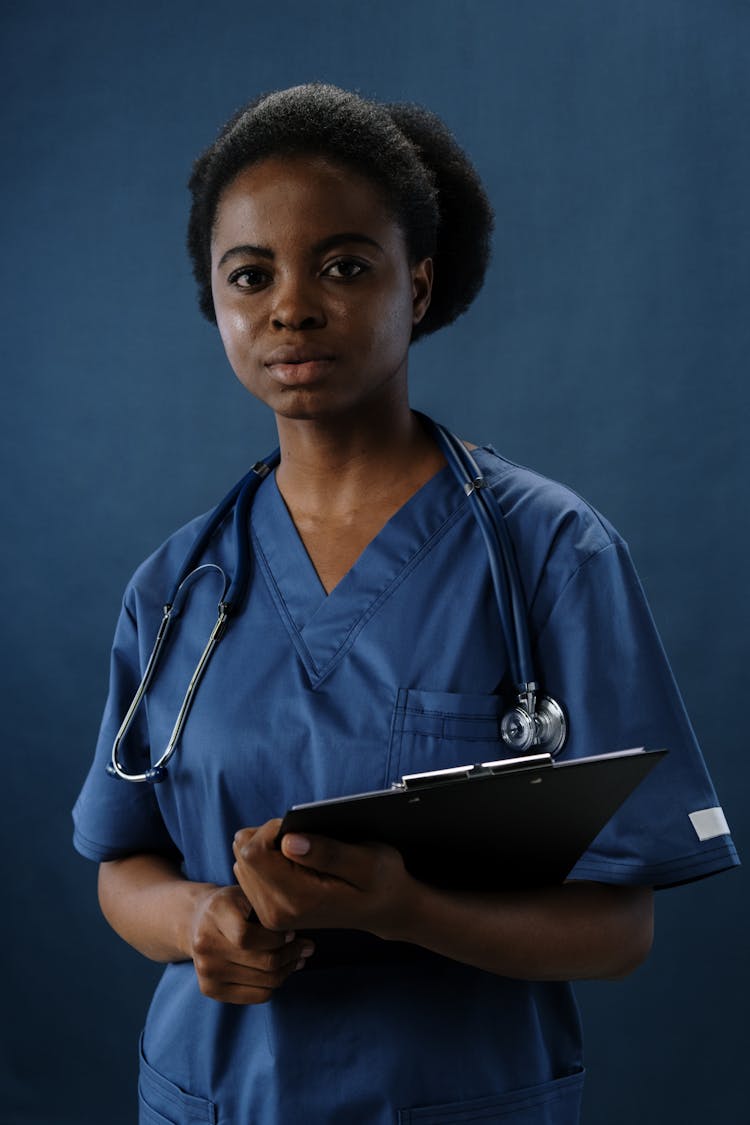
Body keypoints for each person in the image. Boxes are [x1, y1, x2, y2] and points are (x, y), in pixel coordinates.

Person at [73, 84, 738, 1125]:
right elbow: (124, 863)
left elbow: (619, 932)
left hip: (458, 1098)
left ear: (417, 286)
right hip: (213, 1098)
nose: (291, 305)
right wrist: (199, 918)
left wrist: (408, 912)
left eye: (344, 265)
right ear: (217, 301)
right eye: (251, 275)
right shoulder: (178, 587)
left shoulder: (552, 555)